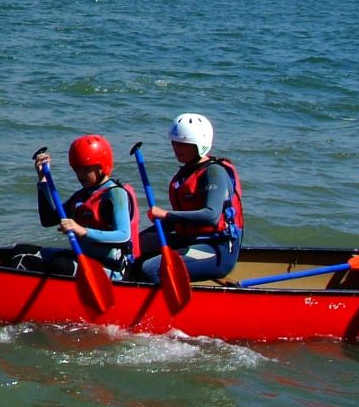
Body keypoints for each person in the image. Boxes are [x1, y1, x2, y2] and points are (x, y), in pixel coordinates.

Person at [137, 112, 243, 284]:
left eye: (184, 144)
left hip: (217, 249)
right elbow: (179, 221)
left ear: (199, 144)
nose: (177, 148)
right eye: (175, 143)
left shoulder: (214, 172)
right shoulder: (186, 173)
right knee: (135, 247)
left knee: (152, 269)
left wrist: (165, 214)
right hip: (190, 240)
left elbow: (211, 216)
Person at [29, 135, 137, 278]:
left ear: (101, 168)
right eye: (76, 169)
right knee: (24, 252)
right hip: (83, 259)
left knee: (59, 265)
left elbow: (124, 236)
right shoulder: (81, 196)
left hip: (110, 268)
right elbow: (48, 220)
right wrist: (42, 179)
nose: (80, 174)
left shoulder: (115, 194)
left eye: (86, 169)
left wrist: (82, 231)